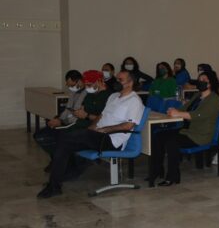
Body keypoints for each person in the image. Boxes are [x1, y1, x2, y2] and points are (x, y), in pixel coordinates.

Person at [37, 70, 145, 198]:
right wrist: (90, 128)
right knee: (63, 142)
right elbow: (101, 116)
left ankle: (57, 182)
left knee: (65, 139)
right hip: (97, 135)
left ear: (130, 82)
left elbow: (128, 126)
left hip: (111, 140)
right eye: (116, 79)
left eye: (120, 80)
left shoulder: (134, 101)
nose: (116, 82)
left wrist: (104, 130)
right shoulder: (114, 96)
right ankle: (57, 182)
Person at [150, 70, 219, 186]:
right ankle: (157, 170)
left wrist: (178, 114)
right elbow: (185, 108)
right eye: (200, 79)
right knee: (158, 135)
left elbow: (198, 115)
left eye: (204, 80)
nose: (201, 82)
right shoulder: (198, 96)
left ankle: (172, 176)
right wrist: (174, 111)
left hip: (200, 135)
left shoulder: (214, 99)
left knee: (172, 142)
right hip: (188, 131)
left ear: (211, 83)